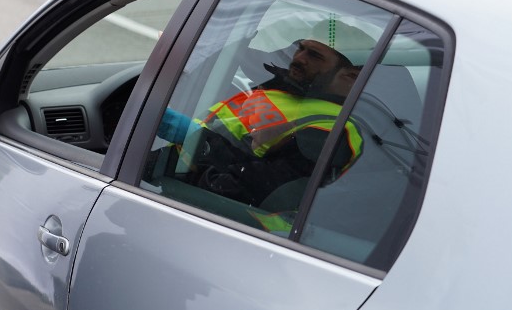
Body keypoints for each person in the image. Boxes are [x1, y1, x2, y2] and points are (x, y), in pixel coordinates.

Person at [159, 18, 375, 217]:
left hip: (222, 219)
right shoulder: (290, 89)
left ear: (350, 77)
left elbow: (239, 192)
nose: (298, 58)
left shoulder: (331, 132)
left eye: (314, 56)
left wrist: (193, 140)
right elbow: (237, 57)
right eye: (301, 48)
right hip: (176, 180)